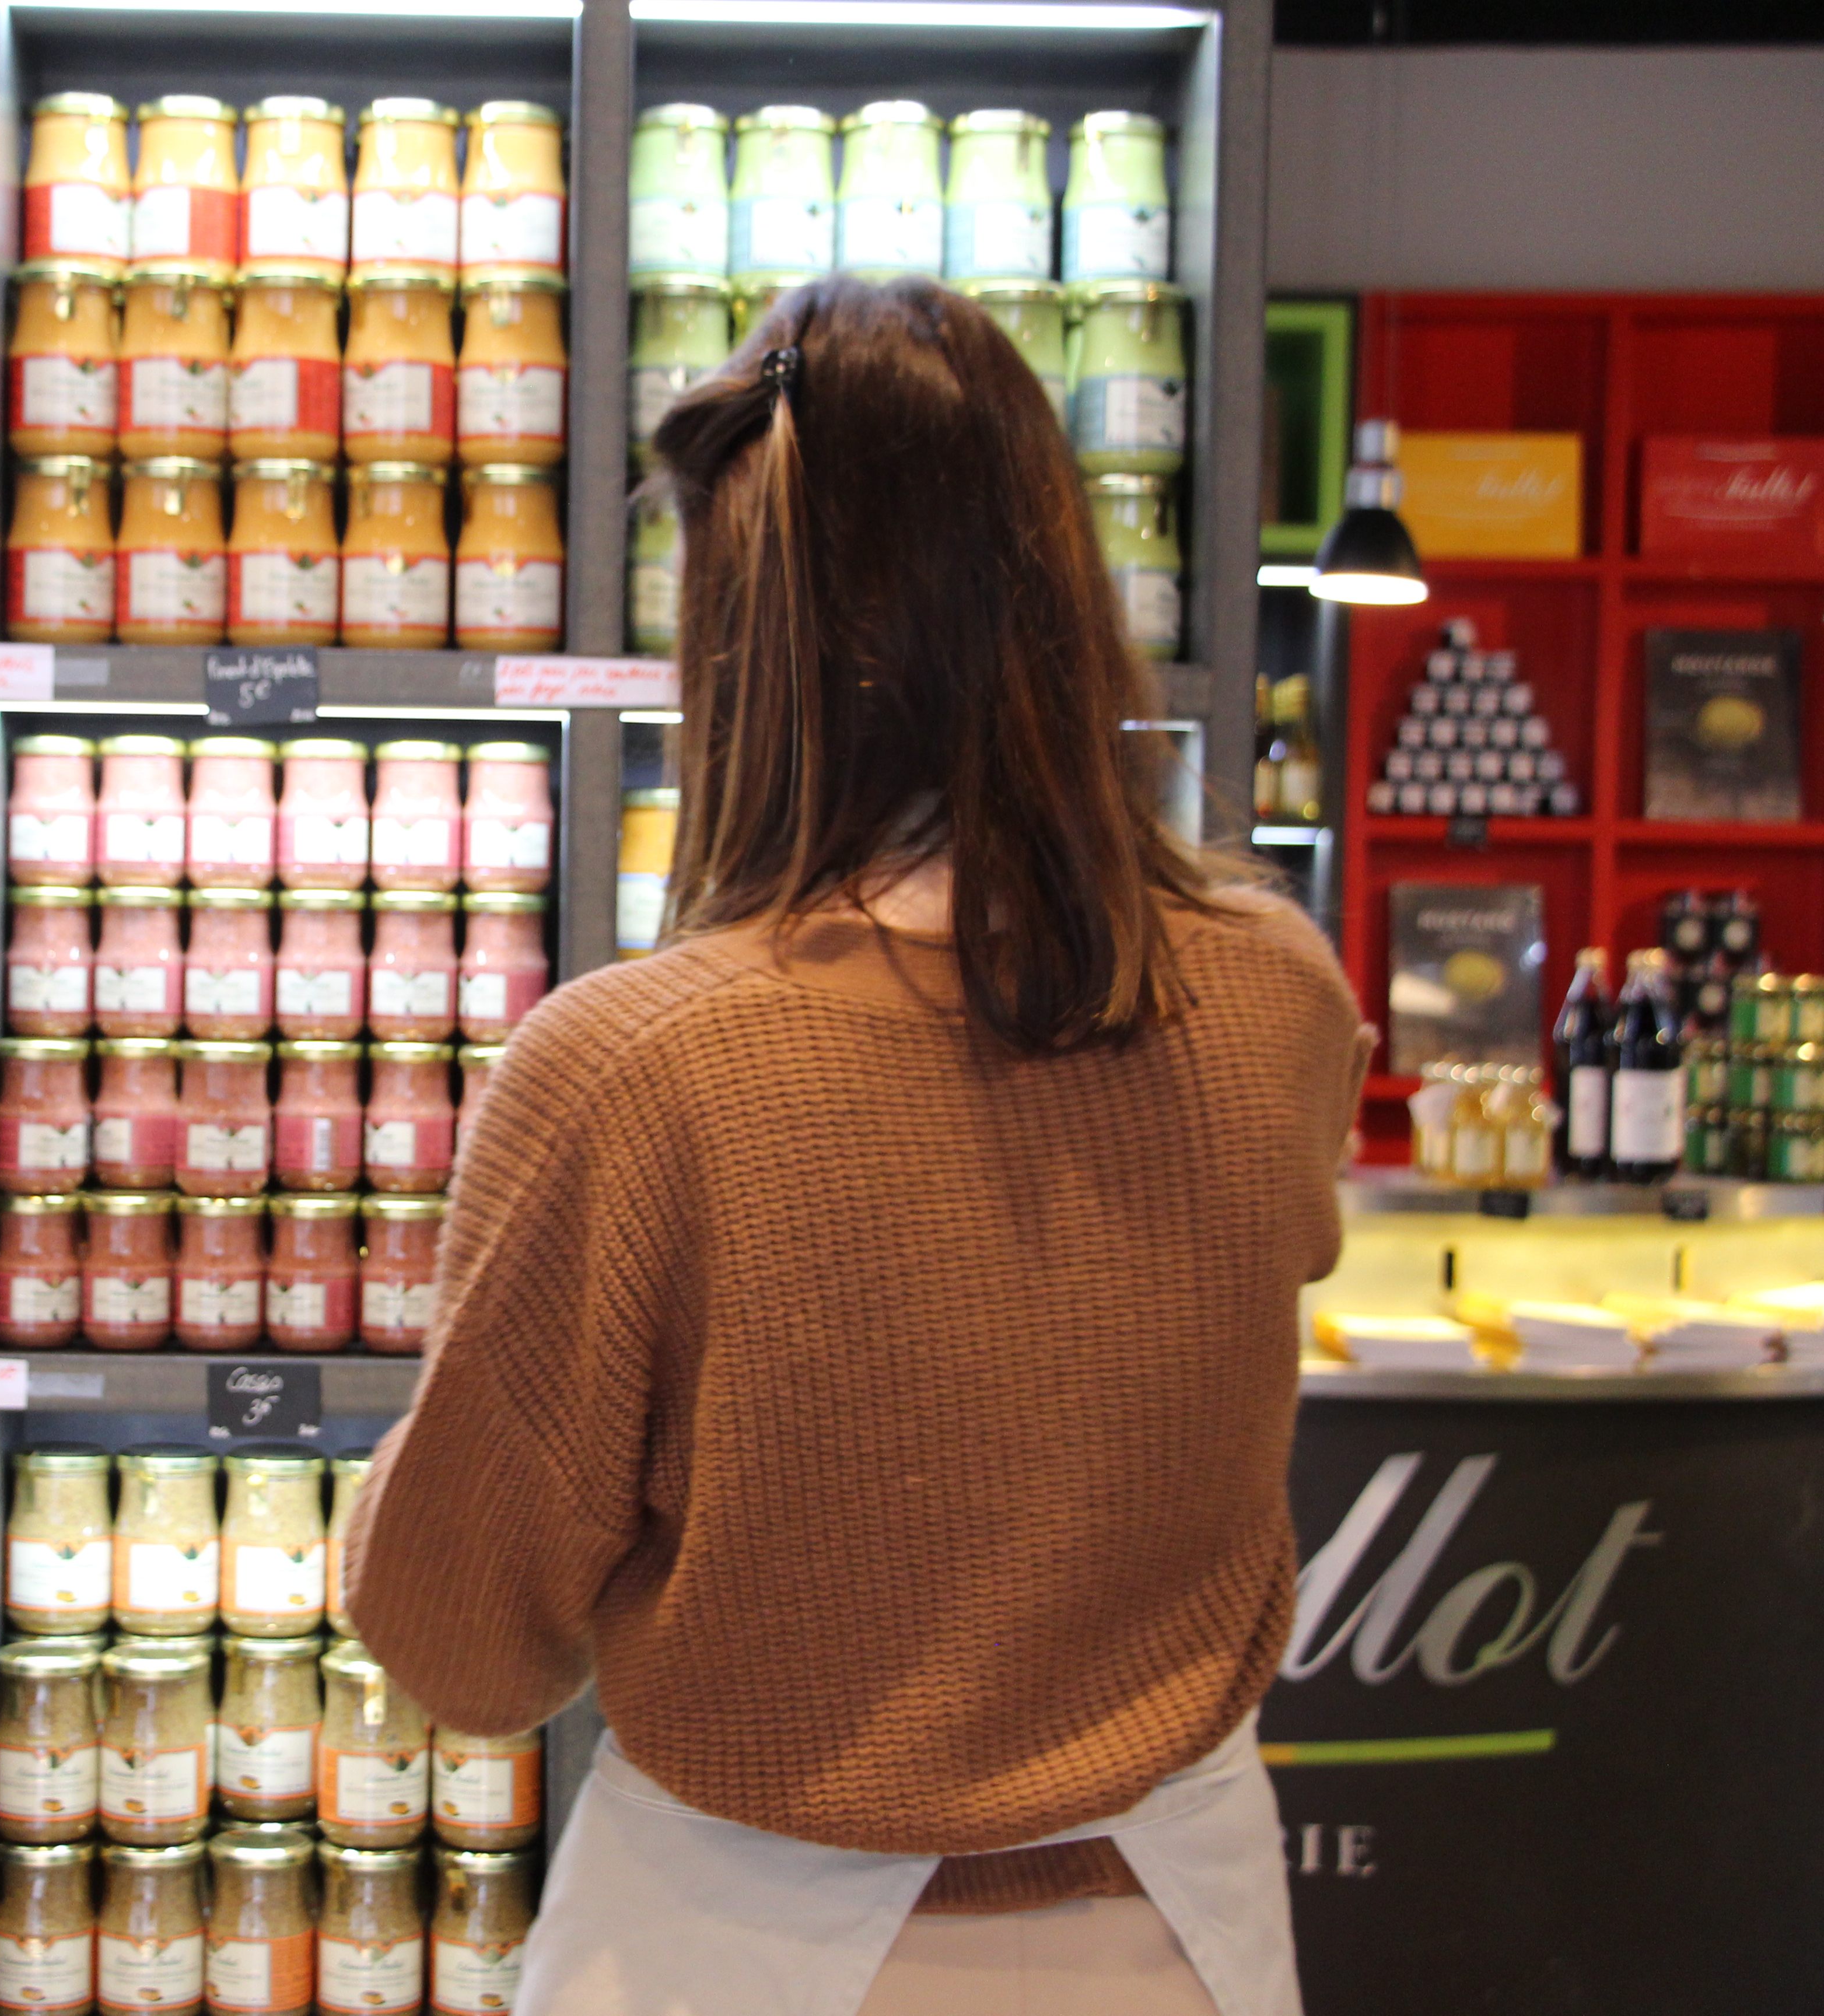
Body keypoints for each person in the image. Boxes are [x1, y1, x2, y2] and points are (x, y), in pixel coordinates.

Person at [344, 277, 1369, 2016]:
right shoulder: (1274, 995)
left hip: (745, 1953)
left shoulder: (635, 1071)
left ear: (736, 641)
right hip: (1180, 1938)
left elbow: (464, 1641)